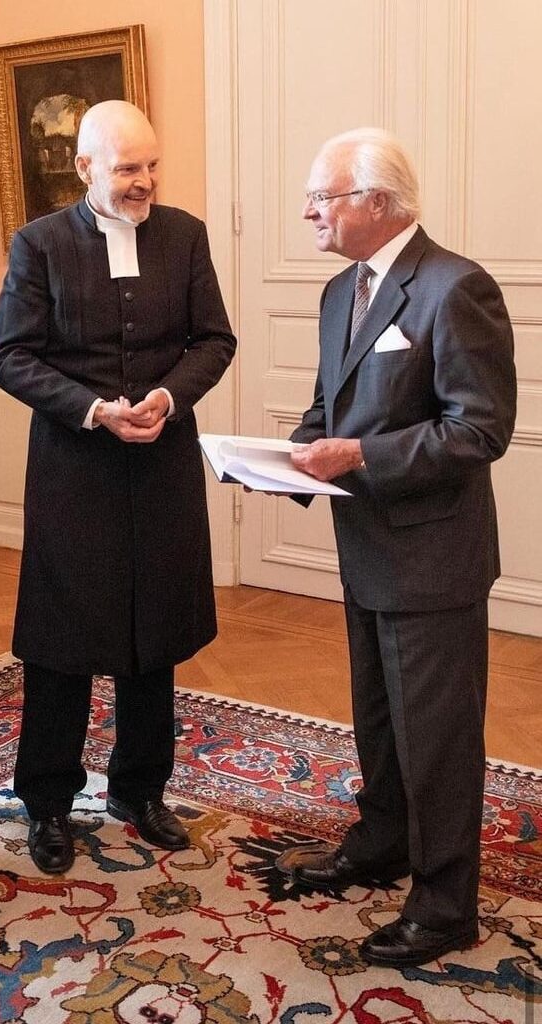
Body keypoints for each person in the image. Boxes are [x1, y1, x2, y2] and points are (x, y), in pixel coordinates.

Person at [275, 128, 517, 968]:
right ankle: (379, 844)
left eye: (323, 196)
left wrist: (360, 458)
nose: (308, 210)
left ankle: (445, 905)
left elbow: (479, 432)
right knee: (381, 722)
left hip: (433, 558)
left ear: (377, 203)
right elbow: (329, 411)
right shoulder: (341, 291)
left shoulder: (456, 289)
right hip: (366, 547)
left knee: (438, 739)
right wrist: (281, 463)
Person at [0, 100, 236, 875]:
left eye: (152, 165)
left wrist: (168, 397)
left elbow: (214, 339)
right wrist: (93, 409)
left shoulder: (185, 235)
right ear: (85, 167)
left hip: (160, 463)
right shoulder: (40, 245)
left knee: (151, 633)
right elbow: (9, 356)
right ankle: (49, 803)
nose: (145, 182)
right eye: (129, 168)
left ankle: (140, 788)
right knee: (62, 643)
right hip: (75, 468)